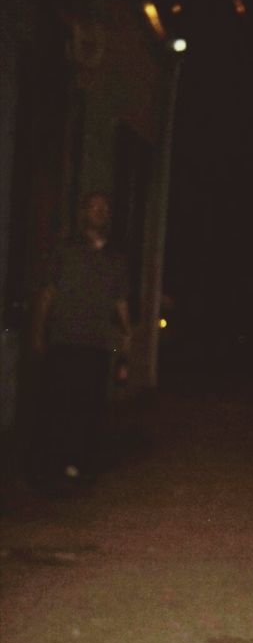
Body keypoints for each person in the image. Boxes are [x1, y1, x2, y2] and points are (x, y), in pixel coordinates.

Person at [29, 192, 132, 488]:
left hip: (98, 344)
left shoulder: (117, 258)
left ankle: (81, 465)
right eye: (94, 207)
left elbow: (121, 301)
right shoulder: (65, 250)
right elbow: (47, 294)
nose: (100, 212)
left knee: (91, 406)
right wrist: (38, 334)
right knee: (61, 405)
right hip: (64, 340)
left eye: (105, 208)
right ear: (83, 213)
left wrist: (125, 337)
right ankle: (53, 467)